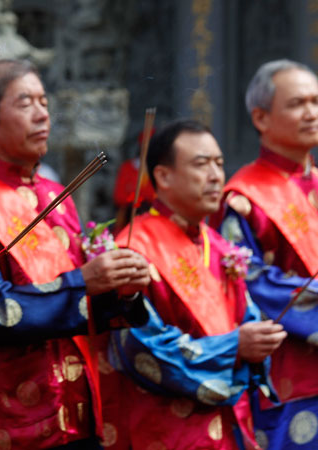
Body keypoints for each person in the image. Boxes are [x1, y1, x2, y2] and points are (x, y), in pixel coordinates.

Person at [0, 58, 151, 449]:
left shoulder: (55, 196)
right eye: (25, 103)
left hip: (79, 407)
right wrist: (84, 281)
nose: (42, 115)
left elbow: (82, 302)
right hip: (14, 415)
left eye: (44, 102)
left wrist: (122, 289)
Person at [112, 119, 286, 449]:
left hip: (231, 424)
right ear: (163, 176)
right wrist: (235, 347)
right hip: (169, 429)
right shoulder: (135, 249)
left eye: (219, 164)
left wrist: (257, 340)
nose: (215, 175)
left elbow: (245, 321)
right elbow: (139, 348)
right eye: (201, 164)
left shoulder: (219, 245)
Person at [213, 59, 318, 449]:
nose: (311, 113)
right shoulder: (244, 199)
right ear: (261, 117)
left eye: (315, 101)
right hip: (291, 377)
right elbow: (250, 281)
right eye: (297, 104)